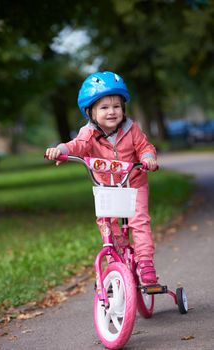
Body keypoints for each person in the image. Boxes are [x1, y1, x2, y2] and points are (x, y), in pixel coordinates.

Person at [45, 71, 158, 285]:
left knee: (140, 221)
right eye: (104, 107)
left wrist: (148, 158)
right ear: (91, 112)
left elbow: (145, 147)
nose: (112, 111)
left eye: (116, 106)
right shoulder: (88, 134)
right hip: (106, 187)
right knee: (108, 224)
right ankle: (117, 260)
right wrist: (60, 150)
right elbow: (76, 145)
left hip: (134, 184)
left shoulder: (131, 129)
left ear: (123, 108)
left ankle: (145, 263)